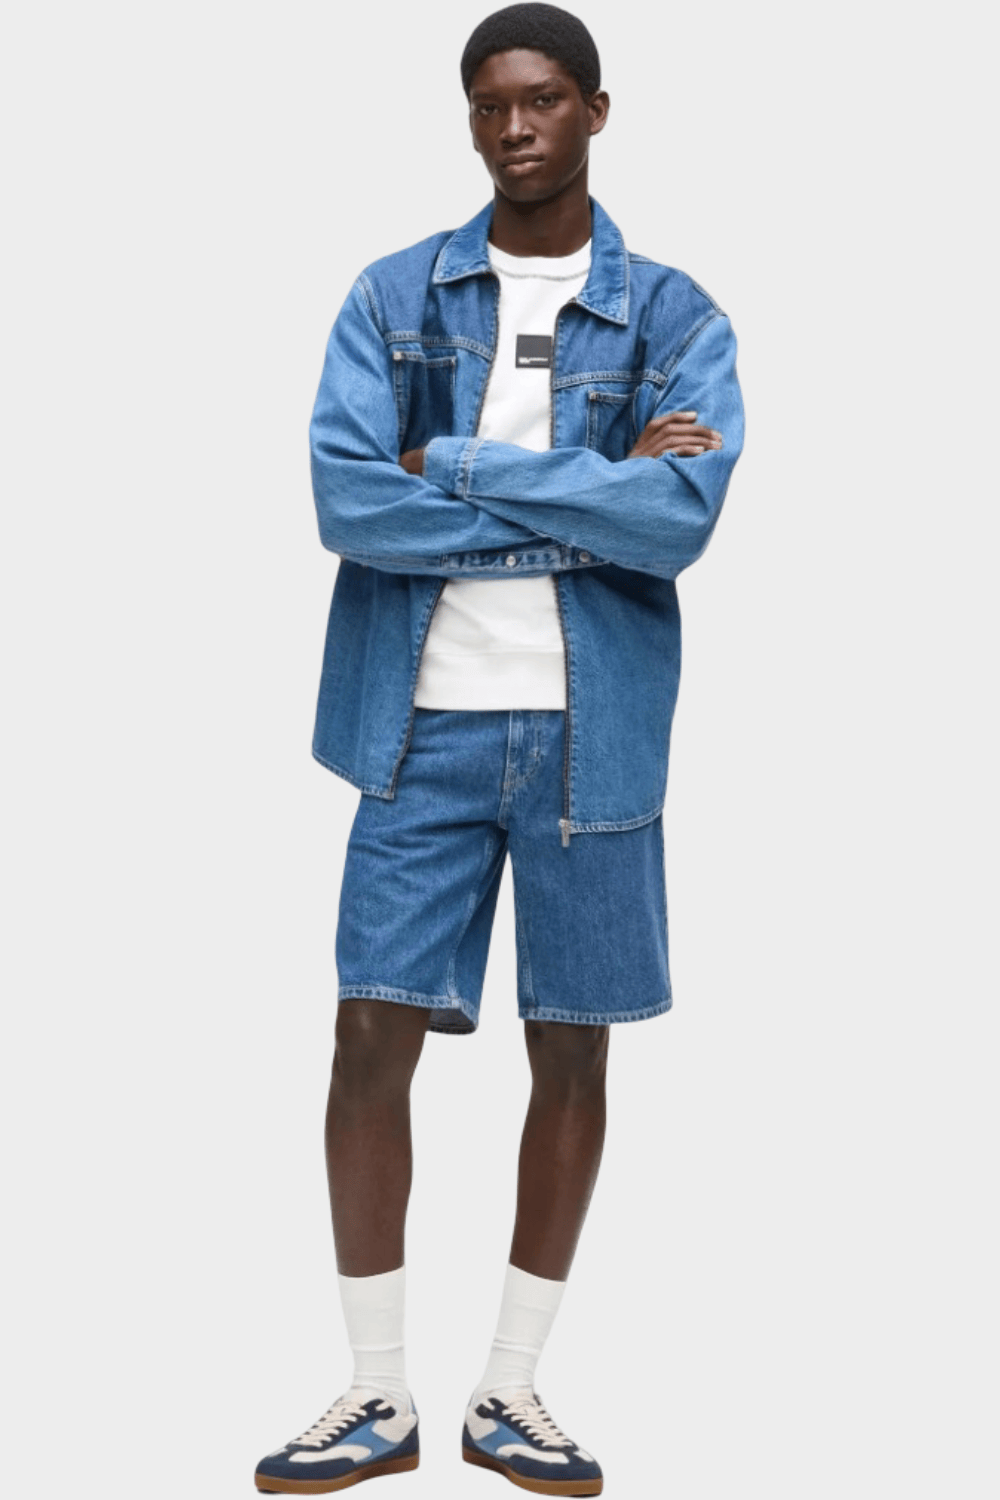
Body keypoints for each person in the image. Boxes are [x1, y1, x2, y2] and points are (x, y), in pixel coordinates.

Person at [254, 3, 744, 1494]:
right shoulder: (393, 295)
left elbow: (681, 520)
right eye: (487, 104)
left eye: (540, 100)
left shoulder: (677, 318)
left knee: (573, 1047)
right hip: (418, 730)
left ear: (596, 108)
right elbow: (349, 502)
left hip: (599, 739)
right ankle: (377, 1394)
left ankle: (511, 1395)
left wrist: (458, 464)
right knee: (367, 1039)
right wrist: (586, 498)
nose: (513, 127)